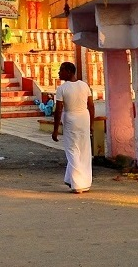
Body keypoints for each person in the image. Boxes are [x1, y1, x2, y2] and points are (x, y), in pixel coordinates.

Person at [51, 61, 94, 193]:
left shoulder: (62, 89)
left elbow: (58, 111)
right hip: (84, 118)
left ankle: (78, 184)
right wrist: (91, 124)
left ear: (69, 72)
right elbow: (91, 106)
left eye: (61, 70)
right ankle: (74, 179)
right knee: (84, 149)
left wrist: (55, 130)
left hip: (70, 119)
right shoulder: (84, 85)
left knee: (72, 150)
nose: (59, 72)